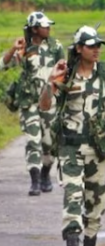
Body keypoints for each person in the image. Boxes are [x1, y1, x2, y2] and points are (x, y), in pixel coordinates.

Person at [39, 25, 105, 246]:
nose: (96, 50)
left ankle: (90, 238)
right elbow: (44, 105)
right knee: (73, 197)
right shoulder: (65, 73)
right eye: (91, 46)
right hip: (70, 148)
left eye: (98, 45)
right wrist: (51, 82)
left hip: (99, 149)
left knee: (95, 205)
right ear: (79, 48)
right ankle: (71, 238)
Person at [0, 11, 64, 196]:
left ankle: (45, 173)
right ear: (35, 29)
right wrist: (13, 49)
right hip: (29, 102)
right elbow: (3, 65)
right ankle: (34, 181)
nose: (48, 29)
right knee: (32, 140)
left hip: (50, 101)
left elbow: (64, 70)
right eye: (45, 26)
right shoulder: (24, 48)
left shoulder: (55, 46)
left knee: (49, 142)